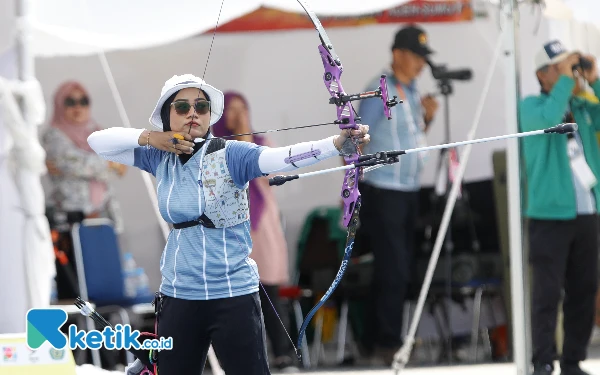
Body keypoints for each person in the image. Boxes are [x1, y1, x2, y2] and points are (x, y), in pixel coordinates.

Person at [87, 73, 370, 375]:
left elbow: (281, 158)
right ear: (167, 116)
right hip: (178, 293)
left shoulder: (232, 154)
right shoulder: (159, 157)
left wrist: (336, 143)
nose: (193, 113)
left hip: (232, 294)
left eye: (202, 106)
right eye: (182, 107)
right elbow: (98, 142)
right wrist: (150, 137)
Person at [353, 24, 438, 365]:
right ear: (398, 54)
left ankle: (375, 339)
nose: (421, 64)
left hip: (408, 191)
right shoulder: (380, 88)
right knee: (394, 268)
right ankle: (387, 342)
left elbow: (409, 137)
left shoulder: (414, 91)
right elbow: (359, 134)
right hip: (383, 190)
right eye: (417, 57)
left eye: (423, 58)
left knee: (398, 267)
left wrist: (428, 119)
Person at [520, 40, 600, 375]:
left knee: (584, 290)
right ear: (543, 73)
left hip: (586, 213)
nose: (568, 73)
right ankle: (542, 361)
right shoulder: (530, 105)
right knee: (547, 293)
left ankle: (573, 361)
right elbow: (550, 118)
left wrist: (592, 79)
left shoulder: (580, 104)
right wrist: (568, 81)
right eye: (560, 67)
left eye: (570, 66)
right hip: (549, 215)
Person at [211, 91, 298, 371]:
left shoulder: (263, 144)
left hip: (262, 228)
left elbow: (272, 177)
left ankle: (282, 353)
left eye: (242, 110)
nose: (237, 116)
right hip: (230, 229)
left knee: (269, 291)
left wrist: (247, 141)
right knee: (234, 296)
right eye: (231, 111)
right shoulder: (214, 148)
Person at [41, 81, 127, 222]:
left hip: (105, 214)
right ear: (59, 105)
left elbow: (122, 165)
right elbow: (71, 164)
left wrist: (114, 163)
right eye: (70, 102)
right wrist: (110, 163)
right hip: (69, 218)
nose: (78, 107)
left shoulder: (98, 132)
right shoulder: (53, 135)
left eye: (83, 101)